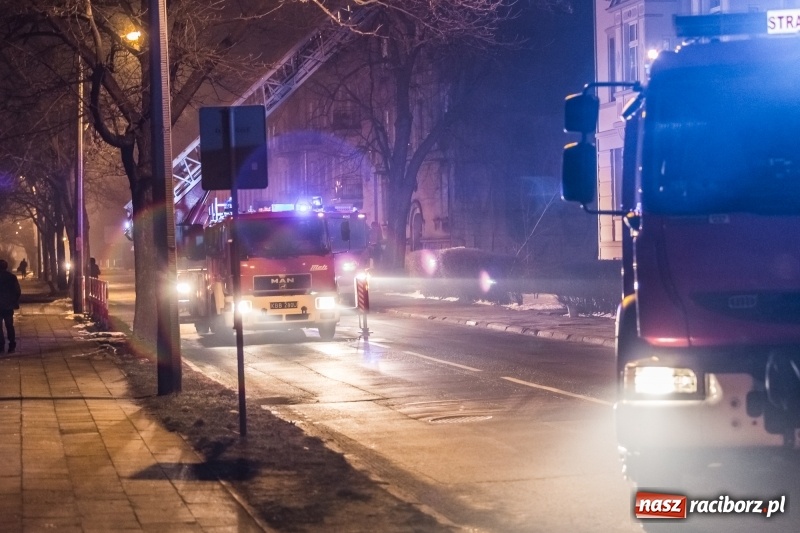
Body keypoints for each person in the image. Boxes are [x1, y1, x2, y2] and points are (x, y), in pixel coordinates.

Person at [0, 259, 22, 354]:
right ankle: (12, 345)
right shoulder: (12, 277)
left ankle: (1, 346)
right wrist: (14, 300)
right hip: (8, 305)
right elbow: (17, 291)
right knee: (9, 326)